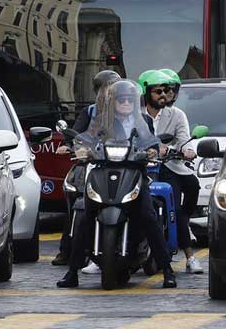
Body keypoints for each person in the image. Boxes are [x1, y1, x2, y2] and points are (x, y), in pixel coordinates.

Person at [57, 80, 176, 288]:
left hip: (134, 171)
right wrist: (80, 148)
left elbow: (151, 141)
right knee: (84, 215)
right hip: (103, 170)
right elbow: (87, 138)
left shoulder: (144, 121)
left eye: (130, 99)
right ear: (113, 101)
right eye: (121, 99)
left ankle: (167, 269)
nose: (126, 103)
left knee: (148, 216)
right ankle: (72, 271)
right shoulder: (102, 122)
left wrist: (153, 151)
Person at [54, 69, 121, 267]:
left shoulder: (126, 109)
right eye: (106, 88)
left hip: (119, 163)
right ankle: (67, 250)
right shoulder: (90, 111)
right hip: (92, 162)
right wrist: (69, 144)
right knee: (77, 198)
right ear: (98, 90)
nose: (110, 93)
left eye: (114, 89)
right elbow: (77, 132)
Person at [140, 69, 203, 275]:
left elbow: (184, 139)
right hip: (136, 167)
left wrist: (186, 151)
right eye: (158, 91)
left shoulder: (177, 115)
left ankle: (189, 256)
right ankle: (99, 255)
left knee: (175, 207)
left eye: (166, 91)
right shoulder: (134, 115)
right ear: (145, 92)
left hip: (168, 166)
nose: (163, 95)